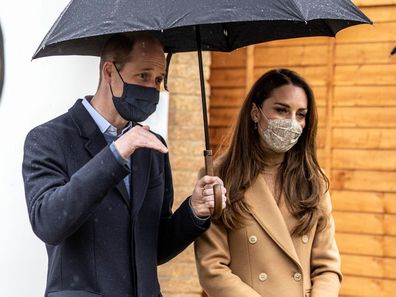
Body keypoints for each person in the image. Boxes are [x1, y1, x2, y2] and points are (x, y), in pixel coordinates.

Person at [22, 32, 226, 297]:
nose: (152, 88)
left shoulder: (152, 147)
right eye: (143, 76)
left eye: (159, 79)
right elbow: (48, 223)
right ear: (109, 72)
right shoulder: (50, 138)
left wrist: (194, 211)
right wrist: (116, 154)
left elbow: (154, 247)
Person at [194, 69, 341, 297]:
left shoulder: (314, 181)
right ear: (255, 112)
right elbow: (212, 269)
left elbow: (327, 268)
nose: (292, 123)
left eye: (301, 114)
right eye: (282, 110)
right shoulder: (220, 176)